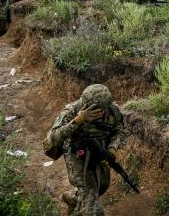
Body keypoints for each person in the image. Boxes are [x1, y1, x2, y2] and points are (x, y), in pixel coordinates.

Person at [43, 84, 126, 216]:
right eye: (95, 109)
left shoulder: (113, 111)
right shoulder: (72, 111)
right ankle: (86, 204)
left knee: (102, 186)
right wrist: (78, 120)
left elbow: (120, 131)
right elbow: (53, 138)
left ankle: (73, 198)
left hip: (99, 150)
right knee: (90, 195)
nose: (101, 112)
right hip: (76, 153)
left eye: (103, 109)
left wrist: (112, 148)